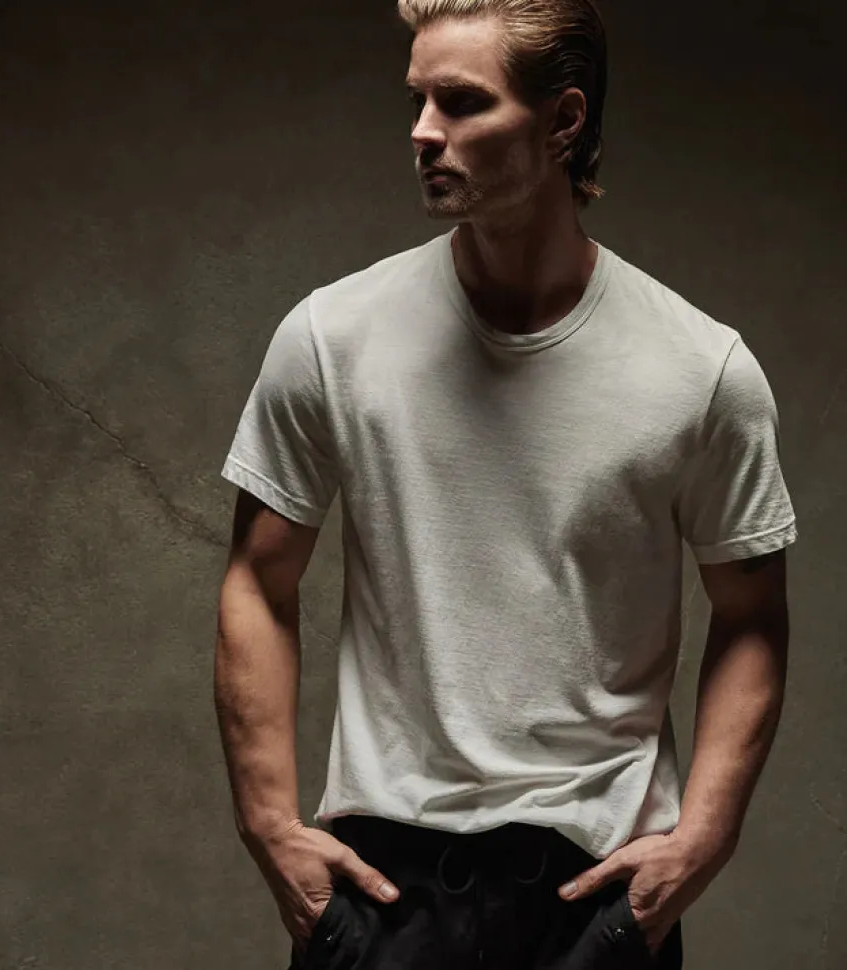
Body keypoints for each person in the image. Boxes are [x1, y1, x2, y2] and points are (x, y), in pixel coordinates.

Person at [214, 1, 797, 967]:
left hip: (596, 897)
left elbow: (752, 615)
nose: (422, 130)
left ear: (563, 120)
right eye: (416, 99)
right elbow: (256, 579)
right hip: (383, 896)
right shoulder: (331, 337)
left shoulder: (702, 372)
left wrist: (702, 840)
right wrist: (270, 826)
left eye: (460, 102)